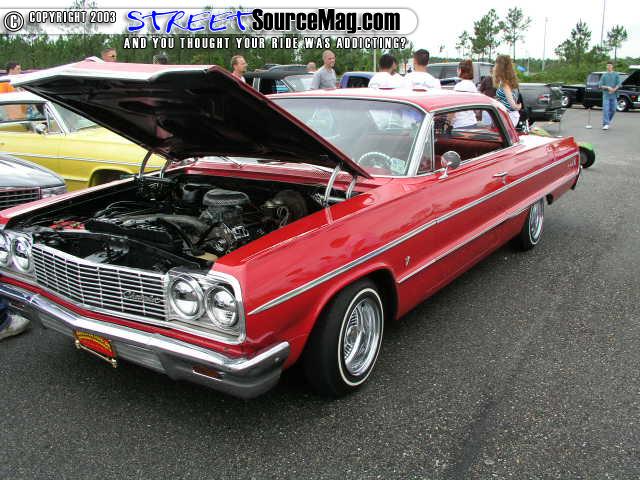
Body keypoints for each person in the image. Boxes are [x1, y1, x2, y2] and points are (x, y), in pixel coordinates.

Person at [493, 54, 521, 127]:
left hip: (509, 116)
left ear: (500, 67)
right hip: (507, 115)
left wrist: (519, 106)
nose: (494, 66)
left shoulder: (505, 84)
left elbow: (513, 105)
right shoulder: (504, 81)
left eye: (496, 64)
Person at [452, 59, 478, 128]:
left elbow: (453, 107)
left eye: (457, 69)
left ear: (460, 70)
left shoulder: (458, 86)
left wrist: (448, 124)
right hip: (472, 122)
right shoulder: (473, 86)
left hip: (460, 124)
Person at [598, 61, 622, 130]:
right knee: (606, 110)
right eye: (607, 65)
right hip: (606, 96)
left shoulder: (616, 74)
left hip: (614, 95)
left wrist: (614, 89)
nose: (609, 67)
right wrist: (608, 87)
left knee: (613, 110)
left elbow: (619, 84)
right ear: (606, 66)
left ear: (612, 66)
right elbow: (600, 85)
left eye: (610, 65)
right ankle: (606, 124)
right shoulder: (604, 75)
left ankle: (608, 121)